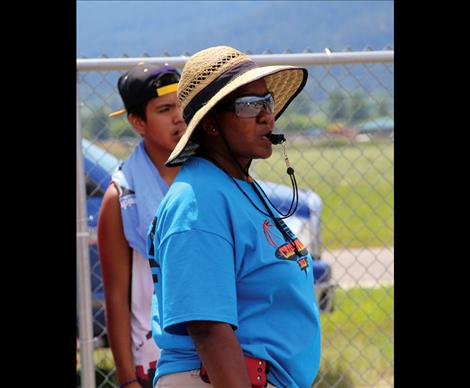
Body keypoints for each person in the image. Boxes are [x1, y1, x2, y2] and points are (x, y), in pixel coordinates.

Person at [147, 45, 321, 388]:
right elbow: (208, 329)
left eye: (267, 102)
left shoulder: (236, 186)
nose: (267, 117)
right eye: (249, 106)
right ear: (210, 124)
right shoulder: (197, 202)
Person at [97, 63, 186, 388]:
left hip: (216, 350)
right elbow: (116, 297)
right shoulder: (121, 198)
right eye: (165, 109)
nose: (179, 117)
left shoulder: (211, 174)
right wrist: (127, 380)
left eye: (182, 103)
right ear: (137, 122)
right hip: (154, 362)